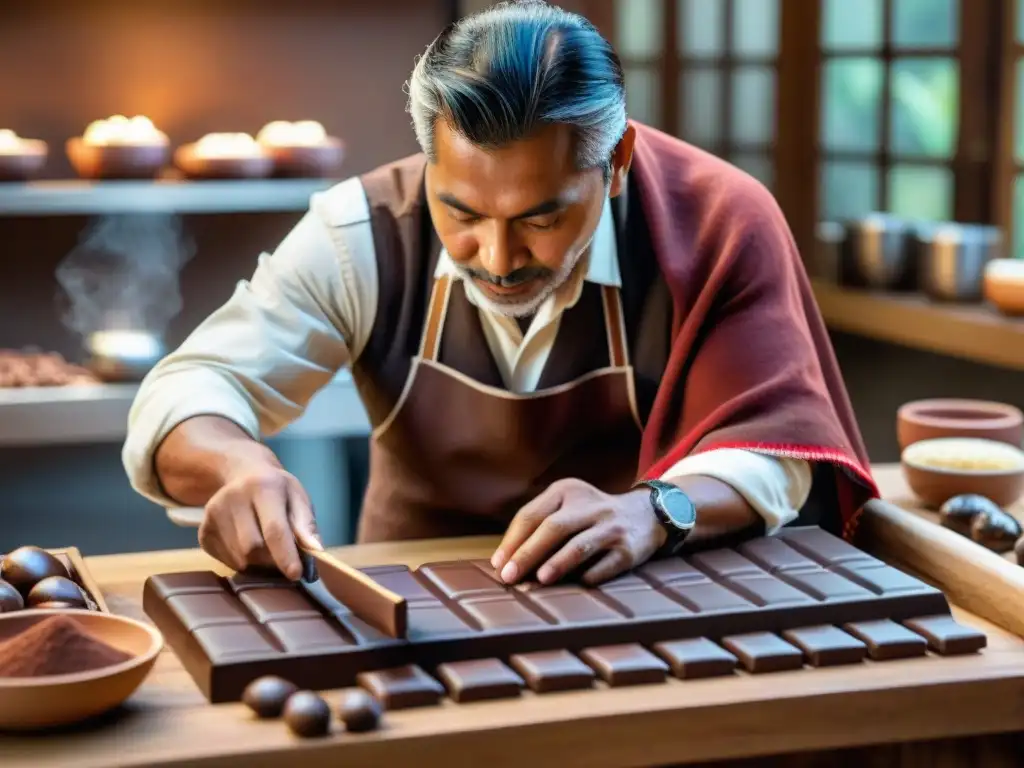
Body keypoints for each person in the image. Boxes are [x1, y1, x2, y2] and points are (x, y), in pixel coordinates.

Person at [123, 0, 877, 588]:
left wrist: (652, 511)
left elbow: (779, 452)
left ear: (615, 161)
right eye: (461, 212)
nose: (499, 257)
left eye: (541, 216)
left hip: (633, 591)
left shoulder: (717, 220)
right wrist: (239, 466)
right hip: (405, 598)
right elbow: (190, 389)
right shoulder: (365, 231)